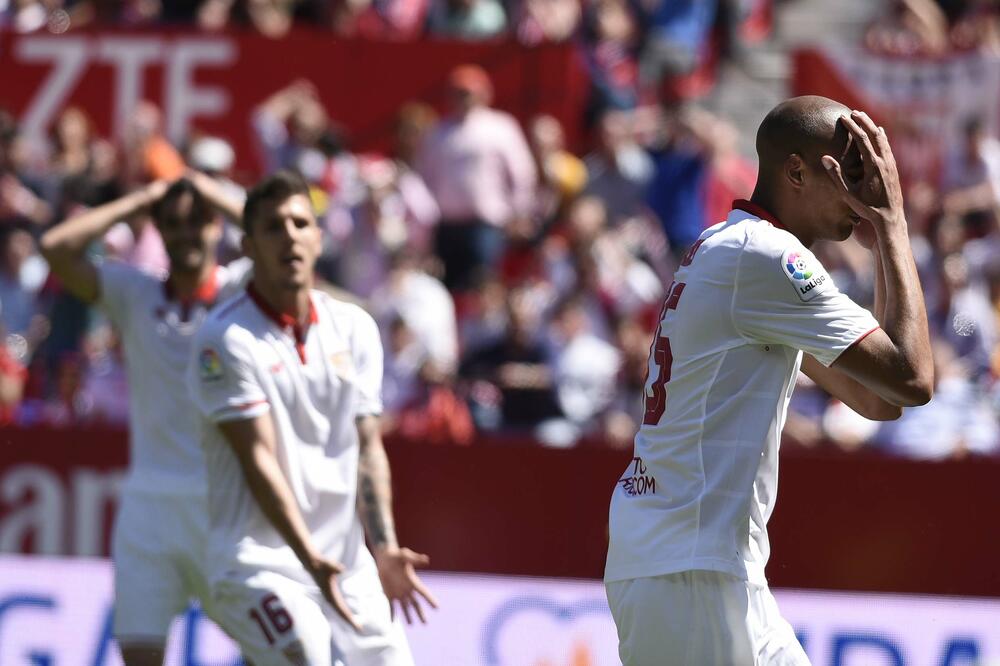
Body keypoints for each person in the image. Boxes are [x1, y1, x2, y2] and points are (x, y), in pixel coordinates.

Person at [604, 96, 934, 664]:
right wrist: (895, 227)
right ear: (798, 171)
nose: (864, 192)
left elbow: (878, 401)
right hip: (691, 568)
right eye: (850, 172)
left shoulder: (732, 246)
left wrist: (881, 238)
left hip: (706, 563)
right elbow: (912, 378)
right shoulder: (768, 260)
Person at [187, 170, 435, 665]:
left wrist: (383, 548)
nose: (290, 237)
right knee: (307, 655)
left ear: (319, 239)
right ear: (248, 246)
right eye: (274, 227)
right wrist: (308, 557)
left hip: (345, 563)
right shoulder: (225, 338)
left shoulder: (355, 327)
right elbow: (259, 462)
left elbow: (368, 447)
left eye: (300, 224)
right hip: (257, 564)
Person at [39, 173, 250, 665]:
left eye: (198, 222)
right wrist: (141, 199)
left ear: (216, 226)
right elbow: (55, 248)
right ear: (158, 231)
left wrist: (206, 188)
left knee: (267, 654)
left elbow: (279, 237)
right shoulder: (134, 292)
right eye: (172, 224)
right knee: (139, 655)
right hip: (148, 511)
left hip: (227, 511)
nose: (186, 234)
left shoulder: (243, 289)